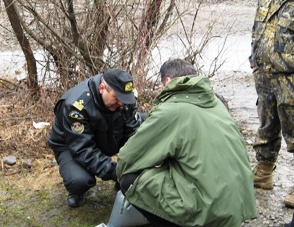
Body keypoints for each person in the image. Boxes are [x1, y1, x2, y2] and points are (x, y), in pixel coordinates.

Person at [116, 59, 257, 226]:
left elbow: (127, 158)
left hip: (210, 211)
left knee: (129, 179)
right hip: (238, 204)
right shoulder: (216, 103)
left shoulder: (172, 110)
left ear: (167, 81)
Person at [47, 68, 141, 208]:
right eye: (118, 98)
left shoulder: (126, 97)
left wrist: (134, 164)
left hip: (107, 134)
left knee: (145, 132)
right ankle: (76, 192)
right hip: (71, 144)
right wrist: (114, 172)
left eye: (125, 99)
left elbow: (133, 133)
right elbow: (83, 149)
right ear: (102, 88)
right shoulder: (76, 106)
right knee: (79, 181)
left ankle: (124, 181)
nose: (122, 103)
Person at [249, 0, 294, 207]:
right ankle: (264, 171)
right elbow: (257, 30)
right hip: (265, 72)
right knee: (267, 122)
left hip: (290, 76)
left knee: (293, 126)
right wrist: (254, 60)